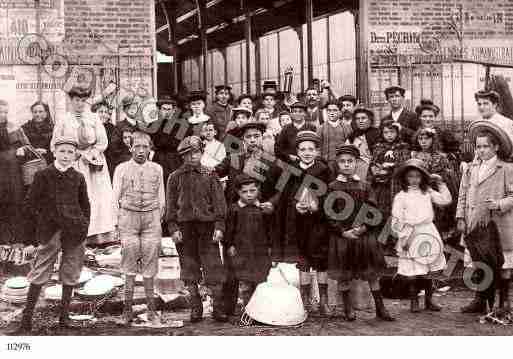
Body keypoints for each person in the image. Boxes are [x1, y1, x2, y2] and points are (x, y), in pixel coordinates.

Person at [7, 136, 90, 334]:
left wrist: (84, 225)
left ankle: (64, 319)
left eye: (70, 152)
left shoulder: (78, 177)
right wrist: (31, 238)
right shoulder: (43, 175)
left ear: (75, 155)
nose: (66, 155)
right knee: (39, 272)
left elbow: (85, 206)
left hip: (74, 232)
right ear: (54, 152)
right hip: (49, 232)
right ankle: (26, 322)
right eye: (62, 151)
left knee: (70, 273)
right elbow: (29, 206)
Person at [215, 121, 280, 316]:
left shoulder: (272, 162)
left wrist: (272, 203)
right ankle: (228, 307)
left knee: (258, 264)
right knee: (232, 262)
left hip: (260, 219)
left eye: (256, 136)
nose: (253, 140)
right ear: (243, 141)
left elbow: (281, 189)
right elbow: (213, 172)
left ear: (263, 138)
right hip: (236, 220)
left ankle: (257, 308)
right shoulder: (234, 159)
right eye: (248, 137)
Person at [327, 144, 394, 321]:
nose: (347, 165)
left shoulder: (365, 186)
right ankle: (348, 308)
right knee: (344, 273)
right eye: (342, 162)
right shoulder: (332, 187)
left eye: (350, 161)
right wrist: (343, 232)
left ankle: (380, 308)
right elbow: (328, 215)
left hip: (364, 236)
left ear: (356, 163)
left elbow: (373, 210)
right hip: (343, 237)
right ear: (337, 164)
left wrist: (364, 227)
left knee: (371, 273)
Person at [165, 136, 228, 322]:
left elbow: (219, 203)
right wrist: (173, 227)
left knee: (213, 267)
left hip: (207, 228)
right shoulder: (174, 177)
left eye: (197, 152)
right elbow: (170, 207)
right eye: (189, 153)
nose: (194, 156)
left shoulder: (210, 175)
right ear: (183, 156)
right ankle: (196, 307)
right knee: (189, 269)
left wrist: (219, 225)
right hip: (185, 230)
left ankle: (218, 308)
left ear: (202, 153)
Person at [51, 86, 115, 246]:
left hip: (93, 164)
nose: (79, 104)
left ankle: (99, 237)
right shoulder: (63, 120)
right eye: (76, 100)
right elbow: (54, 144)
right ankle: (77, 236)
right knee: (77, 198)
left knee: (97, 198)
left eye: (82, 100)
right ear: (70, 101)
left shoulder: (94, 118)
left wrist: (89, 154)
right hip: (73, 163)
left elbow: (102, 142)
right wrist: (70, 155)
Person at [112, 131, 165, 326]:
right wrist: (118, 223)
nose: (141, 151)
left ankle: (151, 310)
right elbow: (114, 197)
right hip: (129, 218)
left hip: (151, 218)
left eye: (145, 147)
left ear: (150, 149)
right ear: (130, 148)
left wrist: (156, 219)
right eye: (137, 147)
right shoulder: (121, 169)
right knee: (129, 261)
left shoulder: (157, 168)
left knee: (151, 261)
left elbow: (162, 198)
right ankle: (127, 310)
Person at [457, 130, 513, 314]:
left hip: (497, 225)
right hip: (474, 223)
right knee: (477, 262)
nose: (481, 150)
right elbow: (463, 195)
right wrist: (461, 217)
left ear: (496, 147)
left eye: (485, 146)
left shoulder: (505, 168)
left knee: (502, 263)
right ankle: (480, 299)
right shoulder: (471, 169)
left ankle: (503, 302)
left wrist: (499, 204)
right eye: (478, 147)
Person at [278, 130, 332, 315]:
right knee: (304, 261)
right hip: (298, 222)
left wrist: (318, 207)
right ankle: (305, 301)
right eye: (303, 149)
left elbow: (331, 197)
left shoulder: (324, 170)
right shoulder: (290, 169)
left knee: (321, 260)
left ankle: (323, 301)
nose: (307, 152)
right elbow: (284, 195)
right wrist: (294, 206)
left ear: (317, 151)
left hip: (319, 222)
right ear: (297, 151)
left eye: (311, 149)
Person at [391, 159, 452, 313]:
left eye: (418, 176)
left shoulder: (427, 192)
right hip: (410, 233)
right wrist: (404, 237)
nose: (414, 180)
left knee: (429, 269)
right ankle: (414, 300)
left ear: (423, 177)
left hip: (427, 232)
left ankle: (429, 300)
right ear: (405, 177)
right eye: (410, 176)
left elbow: (446, 200)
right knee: (413, 271)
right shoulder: (401, 196)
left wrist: (440, 183)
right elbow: (396, 220)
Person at [223, 174, 273, 314]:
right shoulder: (234, 209)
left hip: (260, 252)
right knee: (245, 281)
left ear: (258, 190)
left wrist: (270, 246)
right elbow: (229, 230)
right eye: (244, 192)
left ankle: (260, 312)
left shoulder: (263, 209)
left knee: (260, 281)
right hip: (242, 252)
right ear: (238, 192)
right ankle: (248, 311)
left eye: (252, 191)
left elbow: (269, 230)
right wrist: (230, 245)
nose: (249, 195)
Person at [410, 128, 459, 241]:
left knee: (436, 219)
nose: (423, 141)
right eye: (420, 139)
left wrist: (438, 179)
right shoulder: (414, 155)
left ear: (433, 140)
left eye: (426, 139)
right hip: (419, 191)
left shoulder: (441, 157)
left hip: (435, 191)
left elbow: (448, 178)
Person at [0, 99, 32, 245]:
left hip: (13, 171)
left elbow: (28, 146)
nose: (3, 115)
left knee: (15, 203)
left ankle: (15, 239)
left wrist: (22, 149)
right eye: (0, 111)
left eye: (5, 112)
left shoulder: (15, 128)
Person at [369, 120, 410, 220]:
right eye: (386, 132)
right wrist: (378, 172)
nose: (389, 135)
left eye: (392, 132)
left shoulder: (403, 147)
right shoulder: (378, 147)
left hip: (397, 182)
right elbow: (373, 164)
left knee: (398, 206)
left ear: (397, 133)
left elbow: (405, 164)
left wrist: (392, 165)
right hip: (382, 184)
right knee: (382, 206)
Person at [151, 94, 183, 185]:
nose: (167, 112)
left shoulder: (180, 126)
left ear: (174, 111)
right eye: (164, 109)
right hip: (159, 159)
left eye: (169, 109)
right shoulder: (153, 125)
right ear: (159, 110)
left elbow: (177, 143)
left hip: (174, 159)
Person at [472, 90, 513, 161]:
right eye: (479, 104)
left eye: (486, 104)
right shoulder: (478, 124)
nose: (481, 107)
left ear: (495, 104)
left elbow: (510, 150)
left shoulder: (506, 123)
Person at [346, 107, 381, 181]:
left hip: (371, 170)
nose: (360, 121)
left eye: (363, 118)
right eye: (357, 119)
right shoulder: (352, 135)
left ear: (370, 120)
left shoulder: (377, 134)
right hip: (354, 169)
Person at [317, 100, 352, 172]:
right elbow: (318, 147)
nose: (331, 113)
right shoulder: (321, 128)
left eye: (335, 110)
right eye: (329, 110)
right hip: (326, 163)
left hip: (343, 162)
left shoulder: (346, 127)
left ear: (340, 111)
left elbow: (351, 145)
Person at [91, 101, 117, 178]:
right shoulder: (90, 127)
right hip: (92, 159)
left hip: (108, 161)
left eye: (106, 112)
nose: (104, 115)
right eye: (100, 112)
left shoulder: (112, 128)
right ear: (94, 113)